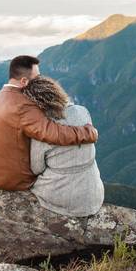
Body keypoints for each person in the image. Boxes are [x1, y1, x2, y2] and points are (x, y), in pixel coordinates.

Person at [0, 55, 98, 191]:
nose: (40, 80)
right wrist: (89, 132)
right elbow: (53, 133)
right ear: (24, 81)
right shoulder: (23, 105)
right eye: (37, 77)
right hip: (11, 181)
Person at [24, 76, 104, 217]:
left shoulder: (44, 129)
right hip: (94, 194)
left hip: (65, 197)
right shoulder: (82, 111)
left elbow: (36, 168)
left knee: (24, 186)